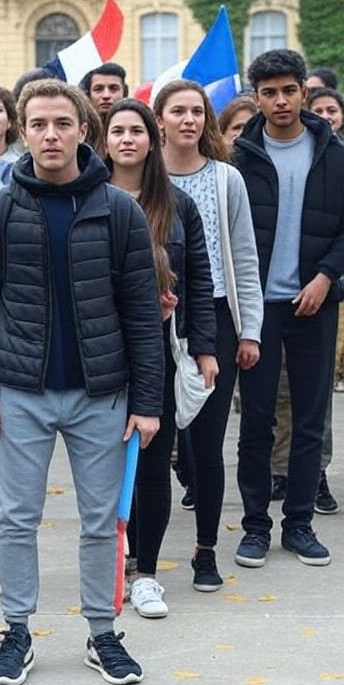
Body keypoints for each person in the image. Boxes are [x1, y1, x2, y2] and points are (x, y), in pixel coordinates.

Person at [0, 78, 165, 685]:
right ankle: (16, 629)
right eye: (39, 125)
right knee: (17, 519)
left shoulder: (118, 208)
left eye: (62, 124)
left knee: (102, 521)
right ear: (24, 131)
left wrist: (147, 401)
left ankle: (103, 632)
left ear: (82, 130)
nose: (50, 135)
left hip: (103, 393)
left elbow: (141, 310)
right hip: (20, 390)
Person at [102, 98, 217, 616]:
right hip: (100, 351)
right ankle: (109, 561)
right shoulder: (88, 198)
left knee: (152, 462)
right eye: (118, 130)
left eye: (137, 130)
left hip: (161, 350)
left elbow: (200, 279)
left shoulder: (176, 204)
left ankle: (146, 571)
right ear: (103, 140)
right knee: (101, 465)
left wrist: (205, 347)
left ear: (153, 139)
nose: (128, 139)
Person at [232, 48, 344, 568]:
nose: (280, 101)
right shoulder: (238, 157)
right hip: (256, 310)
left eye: (289, 90)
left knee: (309, 418)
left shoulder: (335, 153)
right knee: (256, 421)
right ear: (256, 98)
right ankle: (255, 524)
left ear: (304, 91)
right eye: (269, 92)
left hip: (313, 304)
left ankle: (298, 523)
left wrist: (326, 276)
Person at [153, 79, 263, 587]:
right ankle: (140, 553)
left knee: (207, 441)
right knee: (154, 440)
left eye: (197, 111)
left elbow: (243, 257)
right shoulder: (145, 179)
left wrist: (249, 332)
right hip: (152, 319)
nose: (189, 120)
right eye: (178, 111)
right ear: (161, 120)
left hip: (214, 316)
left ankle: (206, 549)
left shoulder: (225, 179)